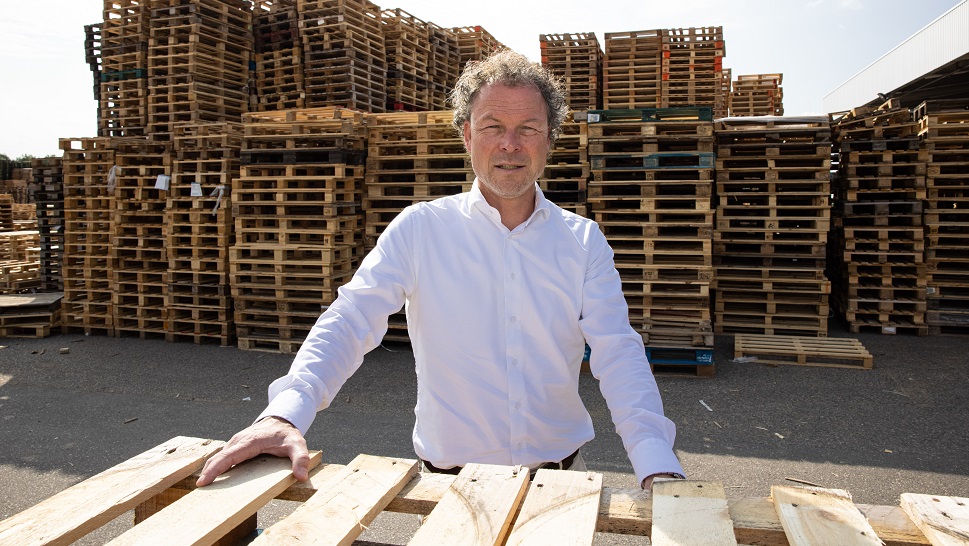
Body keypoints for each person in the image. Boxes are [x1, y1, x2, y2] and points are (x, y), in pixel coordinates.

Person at [197, 50, 685, 490]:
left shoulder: (582, 242)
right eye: (493, 126)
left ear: (550, 139)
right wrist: (285, 414)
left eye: (529, 128)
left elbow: (617, 351)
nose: (510, 144)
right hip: (449, 485)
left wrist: (654, 458)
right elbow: (351, 319)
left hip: (557, 480)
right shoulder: (420, 229)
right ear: (468, 134)